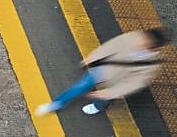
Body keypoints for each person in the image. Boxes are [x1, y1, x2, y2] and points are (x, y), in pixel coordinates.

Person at [37, 28, 170, 116]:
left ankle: (98, 106)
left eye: (145, 43)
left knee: (106, 98)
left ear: (152, 47)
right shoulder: (133, 37)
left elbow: (133, 84)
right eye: (143, 39)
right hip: (104, 70)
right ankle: (57, 103)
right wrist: (94, 57)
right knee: (79, 87)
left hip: (118, 81)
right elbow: (111, 46)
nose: (139, 42)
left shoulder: (151, 64)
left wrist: (110, 92)